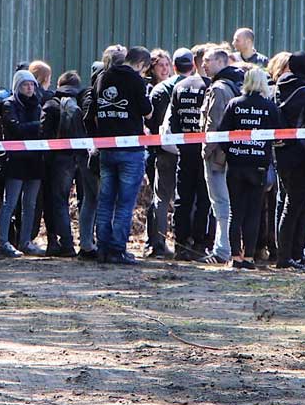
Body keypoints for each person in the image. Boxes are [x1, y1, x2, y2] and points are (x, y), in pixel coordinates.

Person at [86, 46, 152, 264]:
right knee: (124, 203)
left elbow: (92, 112)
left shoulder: (102, 77)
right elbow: (146, 110)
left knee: (105, 201)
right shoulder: (135, 80)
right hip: (130, 149)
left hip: (106, 149)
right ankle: (117, 249)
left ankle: (102, 247)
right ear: (141, 64)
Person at [222, 67, 282, 268]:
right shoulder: (269, 107)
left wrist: (233, 153)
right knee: (254, 213)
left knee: (235, 212)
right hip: (258, 166)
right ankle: (248, 257)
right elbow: (280, 136)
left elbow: (221, 135)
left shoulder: (234, 104)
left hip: (236, 165)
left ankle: (235, 257)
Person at [274, 52, 305, 270]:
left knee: (290, 203)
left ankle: (293, 253)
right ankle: (285, 257)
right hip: (301, 156)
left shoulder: (278, 88)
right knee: (294, 206)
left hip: (281, 153)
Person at [145, 48, 192, 258]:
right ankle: (186, 242)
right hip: (189, 150)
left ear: (173, 66)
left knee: (161, 198)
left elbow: (151, 121)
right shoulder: (195, 87)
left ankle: (158, 243)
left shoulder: (159, 90)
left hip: (162, 149)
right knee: (188, 197)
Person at [0, 69, 46, 256]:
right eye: (25, 84)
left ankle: (25, 241)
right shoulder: (9, 105)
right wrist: (37, 126)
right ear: (17, 87)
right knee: (10, 203)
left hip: (35, 160)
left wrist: (37, 128)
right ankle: (3, 242)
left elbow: (42, 130)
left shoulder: (38, 105)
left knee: (30, 204)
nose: (30, 88)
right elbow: (15, 129)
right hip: (16, 160)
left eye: (32, 84)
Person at [167, 46, 212, 260]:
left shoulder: (180, 86)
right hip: (204, 151)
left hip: (185, 150)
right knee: (203, 198)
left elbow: (173, 120)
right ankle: (200, 242)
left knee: (182, 198)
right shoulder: (210, 87)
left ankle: (180, 242)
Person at [201, 47, 244, 265]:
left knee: (221, 204)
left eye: (207, 60)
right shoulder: (238, 83)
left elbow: (213, 123)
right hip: (235, 153)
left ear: (220, 61)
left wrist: (206, 151)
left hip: (218, 156)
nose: (203, 65)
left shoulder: (218, 89)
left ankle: (222, 249)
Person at [41, 69, 86, 257]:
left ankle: (66, 244)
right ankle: (88, 243)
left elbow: (43, 135)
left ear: (58, 85)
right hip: (83, 156)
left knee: (60, 201)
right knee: (87, 201)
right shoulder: (84, 103)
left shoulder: (51, 104)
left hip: (60, 159)